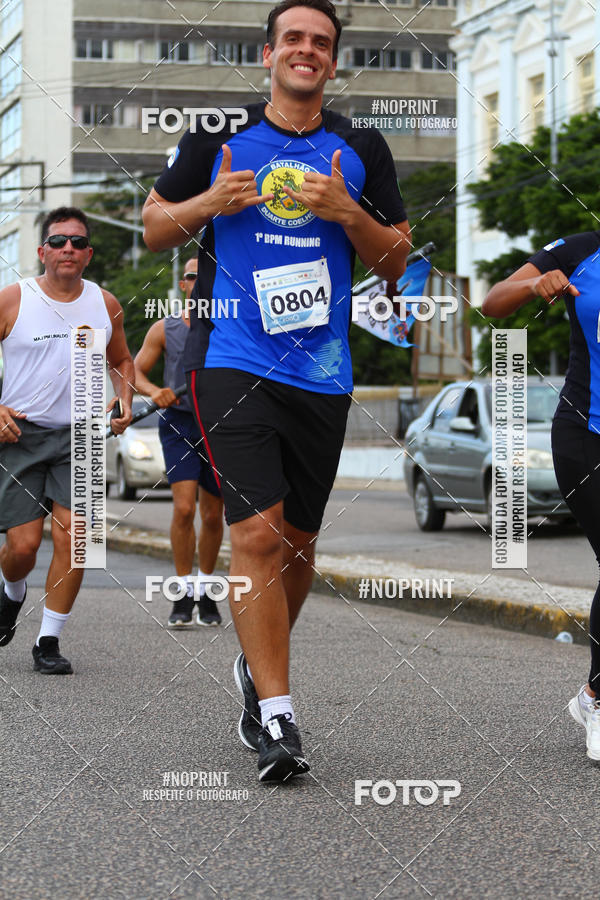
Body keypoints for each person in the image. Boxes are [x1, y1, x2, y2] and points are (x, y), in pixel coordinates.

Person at [142, 0, 411, 782]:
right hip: (232, 357)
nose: (306, 50)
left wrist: (346, 211)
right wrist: (208, 205)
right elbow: (157, 226)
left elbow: (395, 260)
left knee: (298, 544)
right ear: (268, 54)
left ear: (332, 61)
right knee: (256, 534)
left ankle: (256, 669)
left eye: (321, 42)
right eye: (293, 38)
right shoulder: (216, 139)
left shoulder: (359, 146)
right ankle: (278, 717)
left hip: (321, 372)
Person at [482, 230, 600, 761]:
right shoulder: (579, 251)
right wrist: (536, 287)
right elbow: (491, 303)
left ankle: (593, 694)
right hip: (586, 434)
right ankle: (598, 702)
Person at [0, 207, 133, 673]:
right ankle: (12, 592)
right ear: (42, 251)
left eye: (77, 242)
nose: (68, 249)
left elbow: (121, 360)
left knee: (78, 540)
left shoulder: (105, 303)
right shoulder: (13, 299)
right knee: (22, 548)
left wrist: (124, 398)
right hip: (20, 433)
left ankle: (48, 641)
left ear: (89, 254)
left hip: (83, 434)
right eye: (58, 241)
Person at [134, 256, 225, 628]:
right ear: (183, 284)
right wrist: (157, 392)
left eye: (204, 274)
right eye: (191, 275)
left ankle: (206, 590)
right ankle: (183, 591)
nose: (197, 279)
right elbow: (134, 372)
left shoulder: (227, 325)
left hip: (218, 424)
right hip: (178, 423)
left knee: (212, 513)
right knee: (185, 509)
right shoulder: (164, 327)